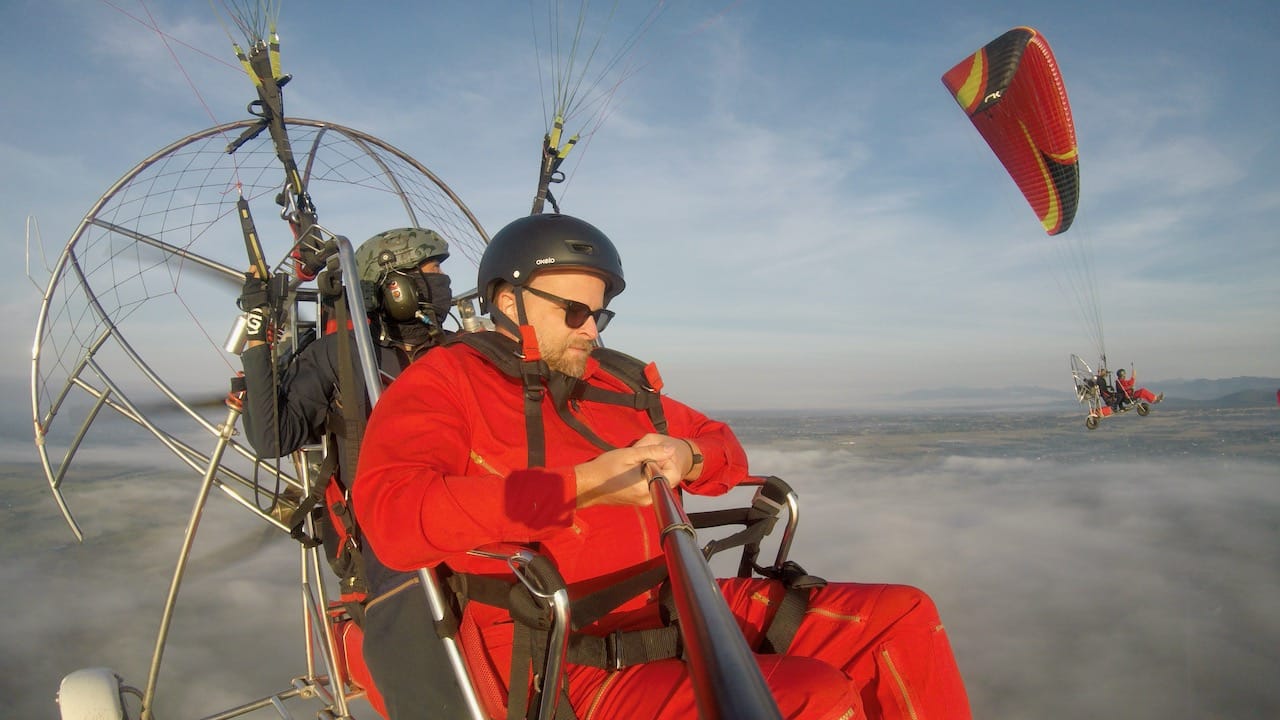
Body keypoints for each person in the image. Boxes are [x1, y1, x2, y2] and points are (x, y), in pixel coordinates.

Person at [353, 212, 971, 719]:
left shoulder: (612, 383)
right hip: (556, 649)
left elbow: (720, 444)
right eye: (573, 312)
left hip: (670, 605)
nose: (590, 330)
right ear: (510, 302)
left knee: (901, 618)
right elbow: (394, 517)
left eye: (599, 314)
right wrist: (579, 489)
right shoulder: (447, 383)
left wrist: (688, 456)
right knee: (812, 699)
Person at [236, 226, 462, 717]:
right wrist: (258, 334)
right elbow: (273, 437)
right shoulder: (341, 356)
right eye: (430, 272)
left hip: (464, 526)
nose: (442, 283)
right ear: (393, 285)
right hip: (385, 547)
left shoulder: (459, 351)